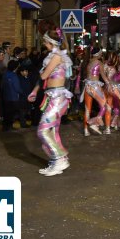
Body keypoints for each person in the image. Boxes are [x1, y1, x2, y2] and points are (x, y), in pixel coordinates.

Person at [27, 28, 73, 176]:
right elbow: (44, 79)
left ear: (51, 42)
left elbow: (44, 75)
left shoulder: (57, 57)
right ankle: (56, 162)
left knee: (42, 131)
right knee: (53, 131)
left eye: (45, 42)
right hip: (52, 95)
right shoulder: (52, 57)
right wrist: (34, 91)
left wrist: (37, 73)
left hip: (58, 97)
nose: (44, 44)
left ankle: (59, 158)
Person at [81, 47, 111, 136]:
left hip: (87, 86)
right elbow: (103, 76)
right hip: (95, 87)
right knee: (105, 106)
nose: (102, 54)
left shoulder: (89, 63)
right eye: (101, 53)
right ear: (99, 54)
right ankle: (95, 122)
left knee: (87, 109)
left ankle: (86, 130)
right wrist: (109, 84)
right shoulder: (99, 62)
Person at [103, 51, 120, 132]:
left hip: (109, 88)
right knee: (116, 105)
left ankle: (108, 128)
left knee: (108, 107)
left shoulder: (106, 66)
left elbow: (103, 75)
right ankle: (115, 124)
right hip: (118, 88)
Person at [1, 60, 24, 131]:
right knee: (13, 113)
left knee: (7, 113)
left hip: (6, 97)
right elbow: (17, 88)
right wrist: (22, 91)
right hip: (13, 98)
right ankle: (9, 126)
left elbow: (1, 85)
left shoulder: (5, 74)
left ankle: (5, 127)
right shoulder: (14, 76)